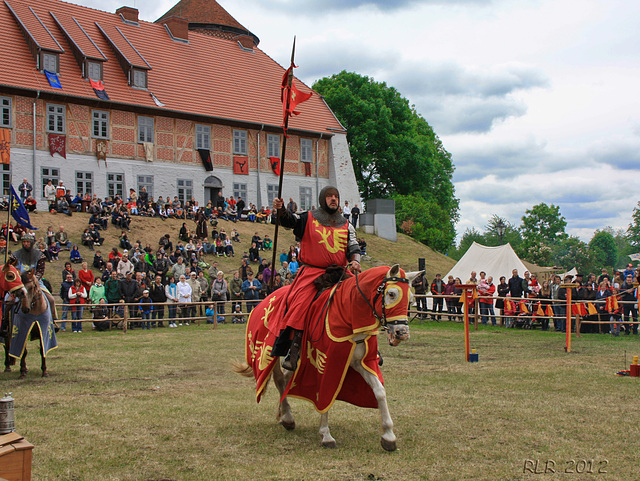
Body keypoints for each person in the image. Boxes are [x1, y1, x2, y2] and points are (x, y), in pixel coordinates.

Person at [271, 185, 361, 371]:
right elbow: (289, 221)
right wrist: (280, 210)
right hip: (313, 273)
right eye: (329, 196)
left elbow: (353, 247)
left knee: (360, 298)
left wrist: (355, 261)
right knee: (301, 304)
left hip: (340, 272)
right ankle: (294, 348)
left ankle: (369, 346)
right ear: (322, 199)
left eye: (336, 196)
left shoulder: (346, 224)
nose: (333, 199)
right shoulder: (308, 218)